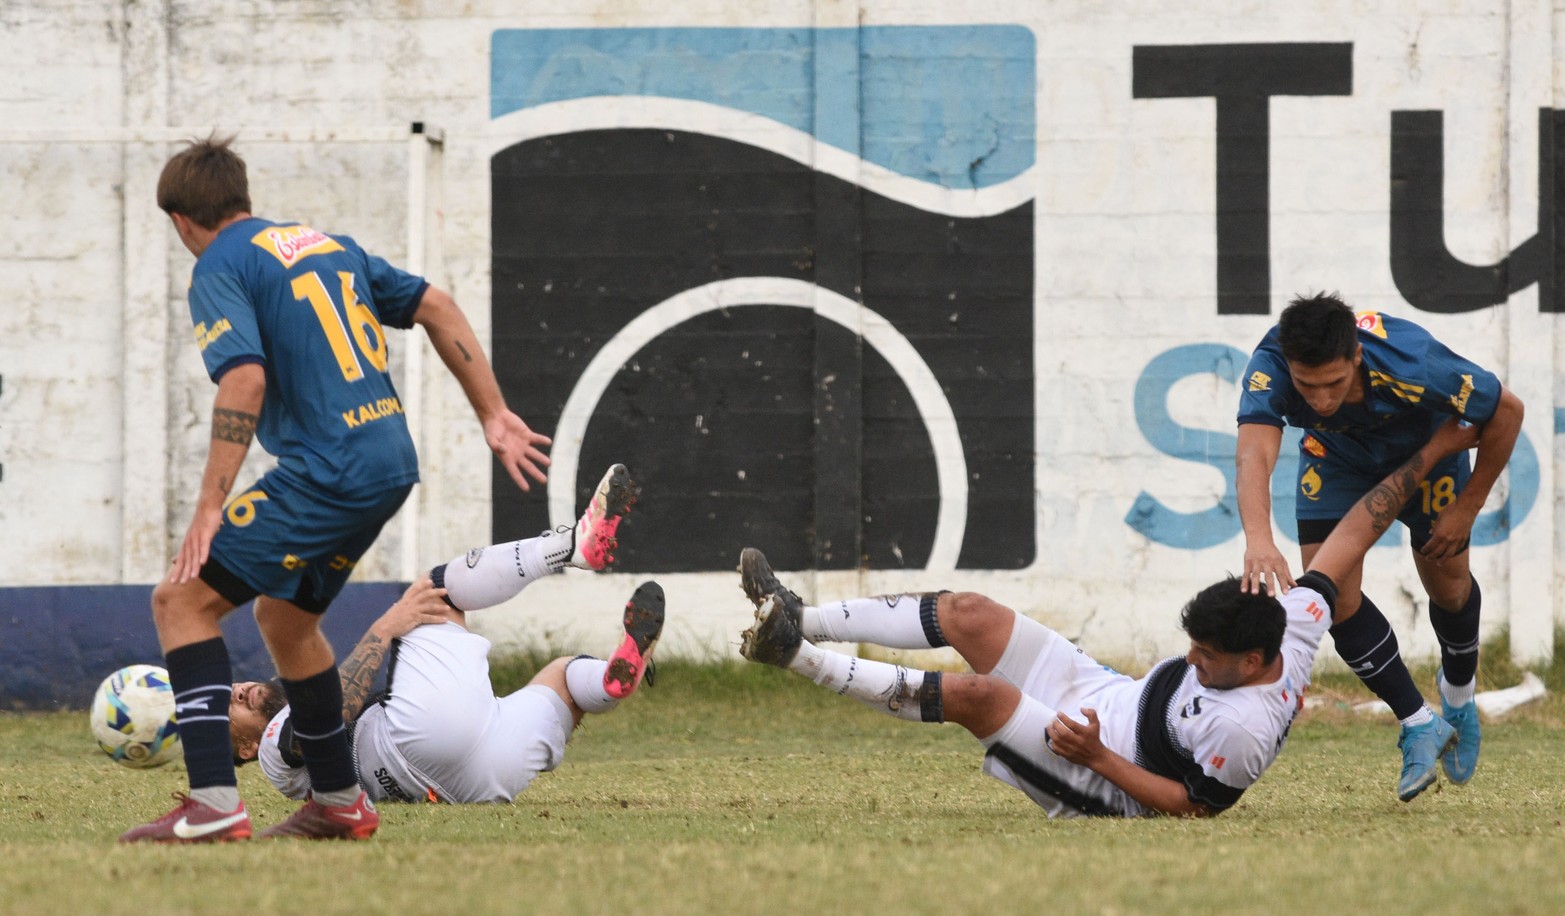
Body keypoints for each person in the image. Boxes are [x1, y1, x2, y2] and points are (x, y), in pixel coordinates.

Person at [123, 135, 555, 843]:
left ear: (180, 221)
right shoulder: (327, 246)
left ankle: (213, 804)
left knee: (180, 601)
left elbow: (245, 380)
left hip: (329, 468)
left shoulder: (219, 264)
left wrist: (208, 508)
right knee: (286, 620)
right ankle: (339, 802)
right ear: (243, 198)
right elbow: (437, 304)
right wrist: (493, 413)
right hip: (388, 461)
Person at [737, 420, 1479, 818]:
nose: (1192, 661)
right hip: (1108, 694)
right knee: (969, 613)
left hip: (1107, 776)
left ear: (1253, 665)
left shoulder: (1243, 729)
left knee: (980, 697)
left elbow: (1193, 810)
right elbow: (1357, 527)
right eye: (1192, 647)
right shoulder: (1293, 620)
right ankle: (802, 616)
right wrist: (1437, 448)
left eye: (1205, 657)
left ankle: (793, 655)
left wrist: (1097, 759)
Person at [1235, 292, 1524, 801]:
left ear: (1357, 357)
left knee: (1449, 588)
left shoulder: (1413, 363)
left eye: (1334, 383)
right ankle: (1418, 722)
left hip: (1431, 458)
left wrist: (1467, 508)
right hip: (1337, 460)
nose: (1320, 400)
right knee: (1330, 596)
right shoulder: (1271, 365)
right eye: (1307, 385)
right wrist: (1258, 538)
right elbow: (1254, 451)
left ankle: (1458, 694)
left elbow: (1507, 411)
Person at [228, 515, 663, 813]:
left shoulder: (287, 749)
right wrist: (385, 627)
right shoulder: (270, 751)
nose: (237, 691)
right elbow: (323, 723)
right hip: (418, 739)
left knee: (565, 679)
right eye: (227, 707)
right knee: (437, 591)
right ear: (244, 749)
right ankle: (568, 547)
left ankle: (610, 681)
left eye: (228, 689)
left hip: (481, 783)